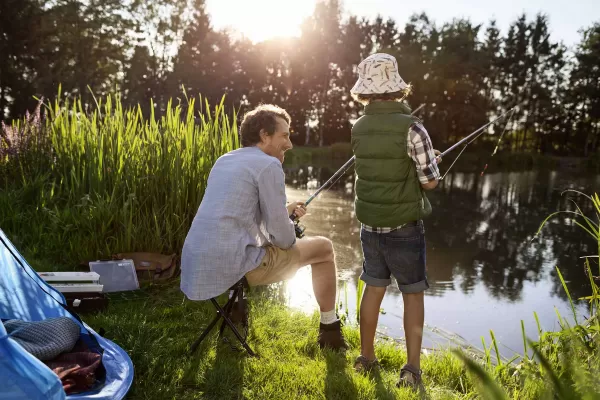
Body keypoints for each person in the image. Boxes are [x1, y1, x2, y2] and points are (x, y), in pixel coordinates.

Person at [180, 104, 347, 350]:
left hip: (197, 262)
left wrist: (285, 210)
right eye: (285, 135)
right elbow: (283, 239)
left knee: (247, 242)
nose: (289, 144)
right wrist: (288, 225)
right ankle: (330, 330)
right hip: (233, 266)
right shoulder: (269, 166)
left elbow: (239, 214)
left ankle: (236, 308)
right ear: (264, 135)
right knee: (324, 249)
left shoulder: (225, 160)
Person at [349, 53, 441, 390]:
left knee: (373, 287)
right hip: (404, 226)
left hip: (369, 226)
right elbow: (429, 181)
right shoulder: (413, 127)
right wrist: (428, 164)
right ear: (397, 88)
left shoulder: (358, 127)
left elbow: (378, 169)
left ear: (367, 92)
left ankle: (366, 357)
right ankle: (412, 370)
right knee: (412, 294)